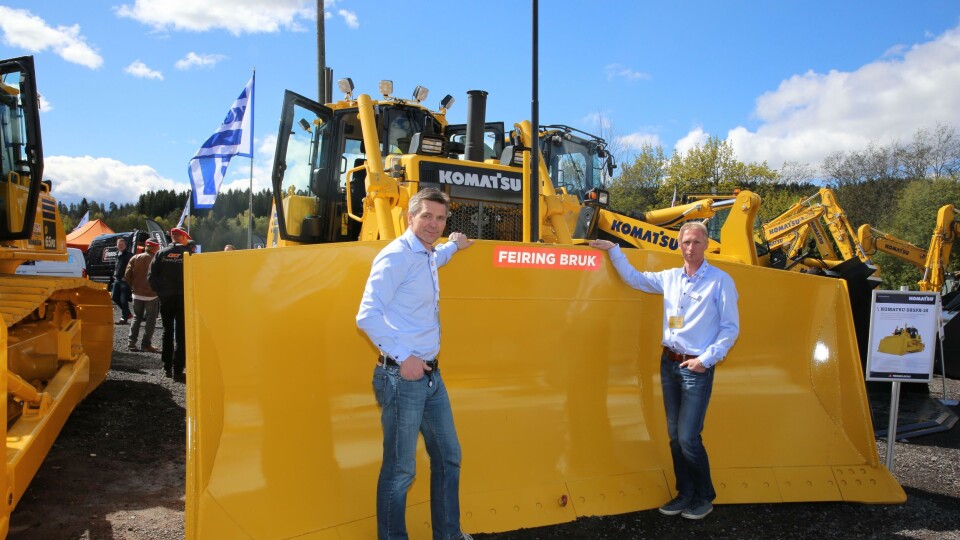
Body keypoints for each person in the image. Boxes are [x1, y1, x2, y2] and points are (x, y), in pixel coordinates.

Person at [590, 221, 739, 521]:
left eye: (696, 242)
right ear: (679, 245)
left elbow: (730, 328)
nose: (690, 247)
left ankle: (703, 496)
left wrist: (706, 359)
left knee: (688, 437)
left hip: (696, 367)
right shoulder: (670, 278)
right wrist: (614, 250)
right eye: (686, 242)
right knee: (674, 436)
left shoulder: (721, 281)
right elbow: (635, 279)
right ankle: (684, 493)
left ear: (706, 244)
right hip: (669, 364)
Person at [356, 188, 474, 540]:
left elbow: (437, 259)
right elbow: (367, 315)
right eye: (427, 217)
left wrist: (454, 245)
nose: (434, 224)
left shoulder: (426, 255)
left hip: (429, 377)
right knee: (400, 471)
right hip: (401, 376)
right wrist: (402, 356)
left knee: (449, 456)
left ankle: (448, 535)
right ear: (410, 218)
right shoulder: (395, 256)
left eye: (440, 218)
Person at [149, 227, 192, 380]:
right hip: (183, 298)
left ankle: (167, 367)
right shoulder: (189, 253)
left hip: (166, 298)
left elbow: (151, 276)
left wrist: (160, 292)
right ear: (182, 237)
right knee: (181, 334)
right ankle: (178, 369)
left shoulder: (161, 253)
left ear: (172, 237)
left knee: (167, 332)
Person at [125, 240, 161, 353]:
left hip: (136, 293)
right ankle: (146, 344)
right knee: (150, 320)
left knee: (136, 318)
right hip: (152, 295)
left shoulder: (136, 258)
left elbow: (127, 274)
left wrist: (133, 286)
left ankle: (131, 343)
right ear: (156, 248)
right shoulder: (158, 259)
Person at [112, 237, 133, 324]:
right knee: (114, 297)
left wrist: (128, 277)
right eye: (119, 244)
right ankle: (127, 313)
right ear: (117, 245)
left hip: (125, 281)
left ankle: (124, 318)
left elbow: (133, 268)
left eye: (122, 244)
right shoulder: (117, 254)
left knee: (124, 300)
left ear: (125, 245)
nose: (120, 246)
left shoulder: (129, 255)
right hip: (117, 279)